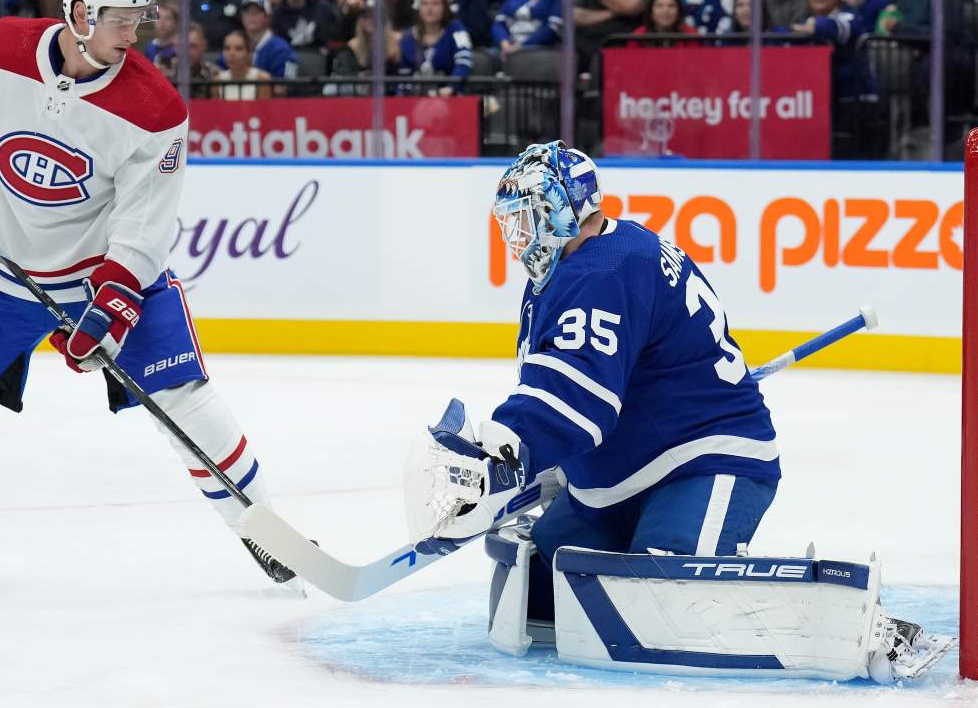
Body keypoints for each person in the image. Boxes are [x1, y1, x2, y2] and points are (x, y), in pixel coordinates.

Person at [403, 143, 948, 684]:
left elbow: (580, 397)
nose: (516, 235)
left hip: (708, 456)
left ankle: (871, 631)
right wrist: (551, 462)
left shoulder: (604, 270)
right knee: (542, 593)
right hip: (620, 475)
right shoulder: (577, 267)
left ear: (563, 211)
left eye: (526, 218)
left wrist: (510, 453)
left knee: (666, 597)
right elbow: (567, 384)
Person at [0, 0, 298, 588]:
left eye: (139, 17)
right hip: (7, 273)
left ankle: (264, 529)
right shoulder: (0, 47)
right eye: (117, 18)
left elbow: (142, 227)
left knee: (187, 400)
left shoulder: (155, 109)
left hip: (107, 277)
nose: (132, 33)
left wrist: (114, 299)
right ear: (76, 11)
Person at [788, 0, 879, 157]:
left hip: (855, 100)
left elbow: (834, 28)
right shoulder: (805, 22)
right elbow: (780, 32)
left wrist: (813, 28)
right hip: (818, 101)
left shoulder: (849, 16)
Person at [398, 0, 472, 94]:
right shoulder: (408, 37)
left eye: (435, 4)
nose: (430, 8)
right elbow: (403, 74)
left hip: (450, 96)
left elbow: (463, 63)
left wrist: (450, 88)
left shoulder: (457, 30)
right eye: (425, 4)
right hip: (415, 98)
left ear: (444, 8)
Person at [240, 0, 298, 80]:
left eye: (256, 12)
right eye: (247, 12)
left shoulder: (281, 49)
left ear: (268, 17)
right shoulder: (235, 44)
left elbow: (286, 86)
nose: (251, 16)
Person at [629, 0, 699, 45]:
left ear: (679, 13)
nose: (665, 10)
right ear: (651, 13)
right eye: (659, 6)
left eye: (671, 6)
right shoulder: (639, 35)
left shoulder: (690, 35)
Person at [214, 29, 267, 100]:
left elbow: (264, 110)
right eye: (227, 48)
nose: (231, 53)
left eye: (238, 49)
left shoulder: (261, 78)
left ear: (249, 53)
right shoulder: (217, 81)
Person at [143, 2, 177, 66]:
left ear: (176, 22)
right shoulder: (150, 47)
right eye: (158, 18)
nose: (162, 23)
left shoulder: (179, 49)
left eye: (167, 18)